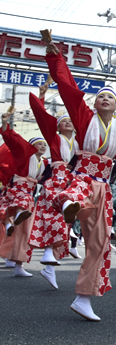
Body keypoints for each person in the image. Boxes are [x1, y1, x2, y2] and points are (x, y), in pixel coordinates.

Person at [45, 40, 116, 322]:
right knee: (74, 194)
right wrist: (56, 58)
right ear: (93, 103)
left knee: (101, 242)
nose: (105, 99)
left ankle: (83, 297)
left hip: (103, 187)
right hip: (82, 177)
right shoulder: (83, 118)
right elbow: (68, 88)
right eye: (101, 96)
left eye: (110, 98)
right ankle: (66, 202)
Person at [28, 85, 79, 289]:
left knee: (65, 222)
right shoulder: (54, 138)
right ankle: (49, 255)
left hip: (72, 180)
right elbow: (42, 117)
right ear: (57, 128)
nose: (67, 122)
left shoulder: (81, 140)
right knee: (55, 216)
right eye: (62, 121)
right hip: (56, 180)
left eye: (70, 120)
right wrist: (42, 96)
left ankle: (49, 265)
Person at [0, 115, 47, 277]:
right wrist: (5, 125)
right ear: (31, 146)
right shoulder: (25, 156)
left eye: (45, 144)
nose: (43, 146)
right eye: (39, 144)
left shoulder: (44, 164)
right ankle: (11, 222)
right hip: (17, 193)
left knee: (24, 232)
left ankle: (15, 262)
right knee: (14, 223)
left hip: (28, 197)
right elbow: (14, 142)